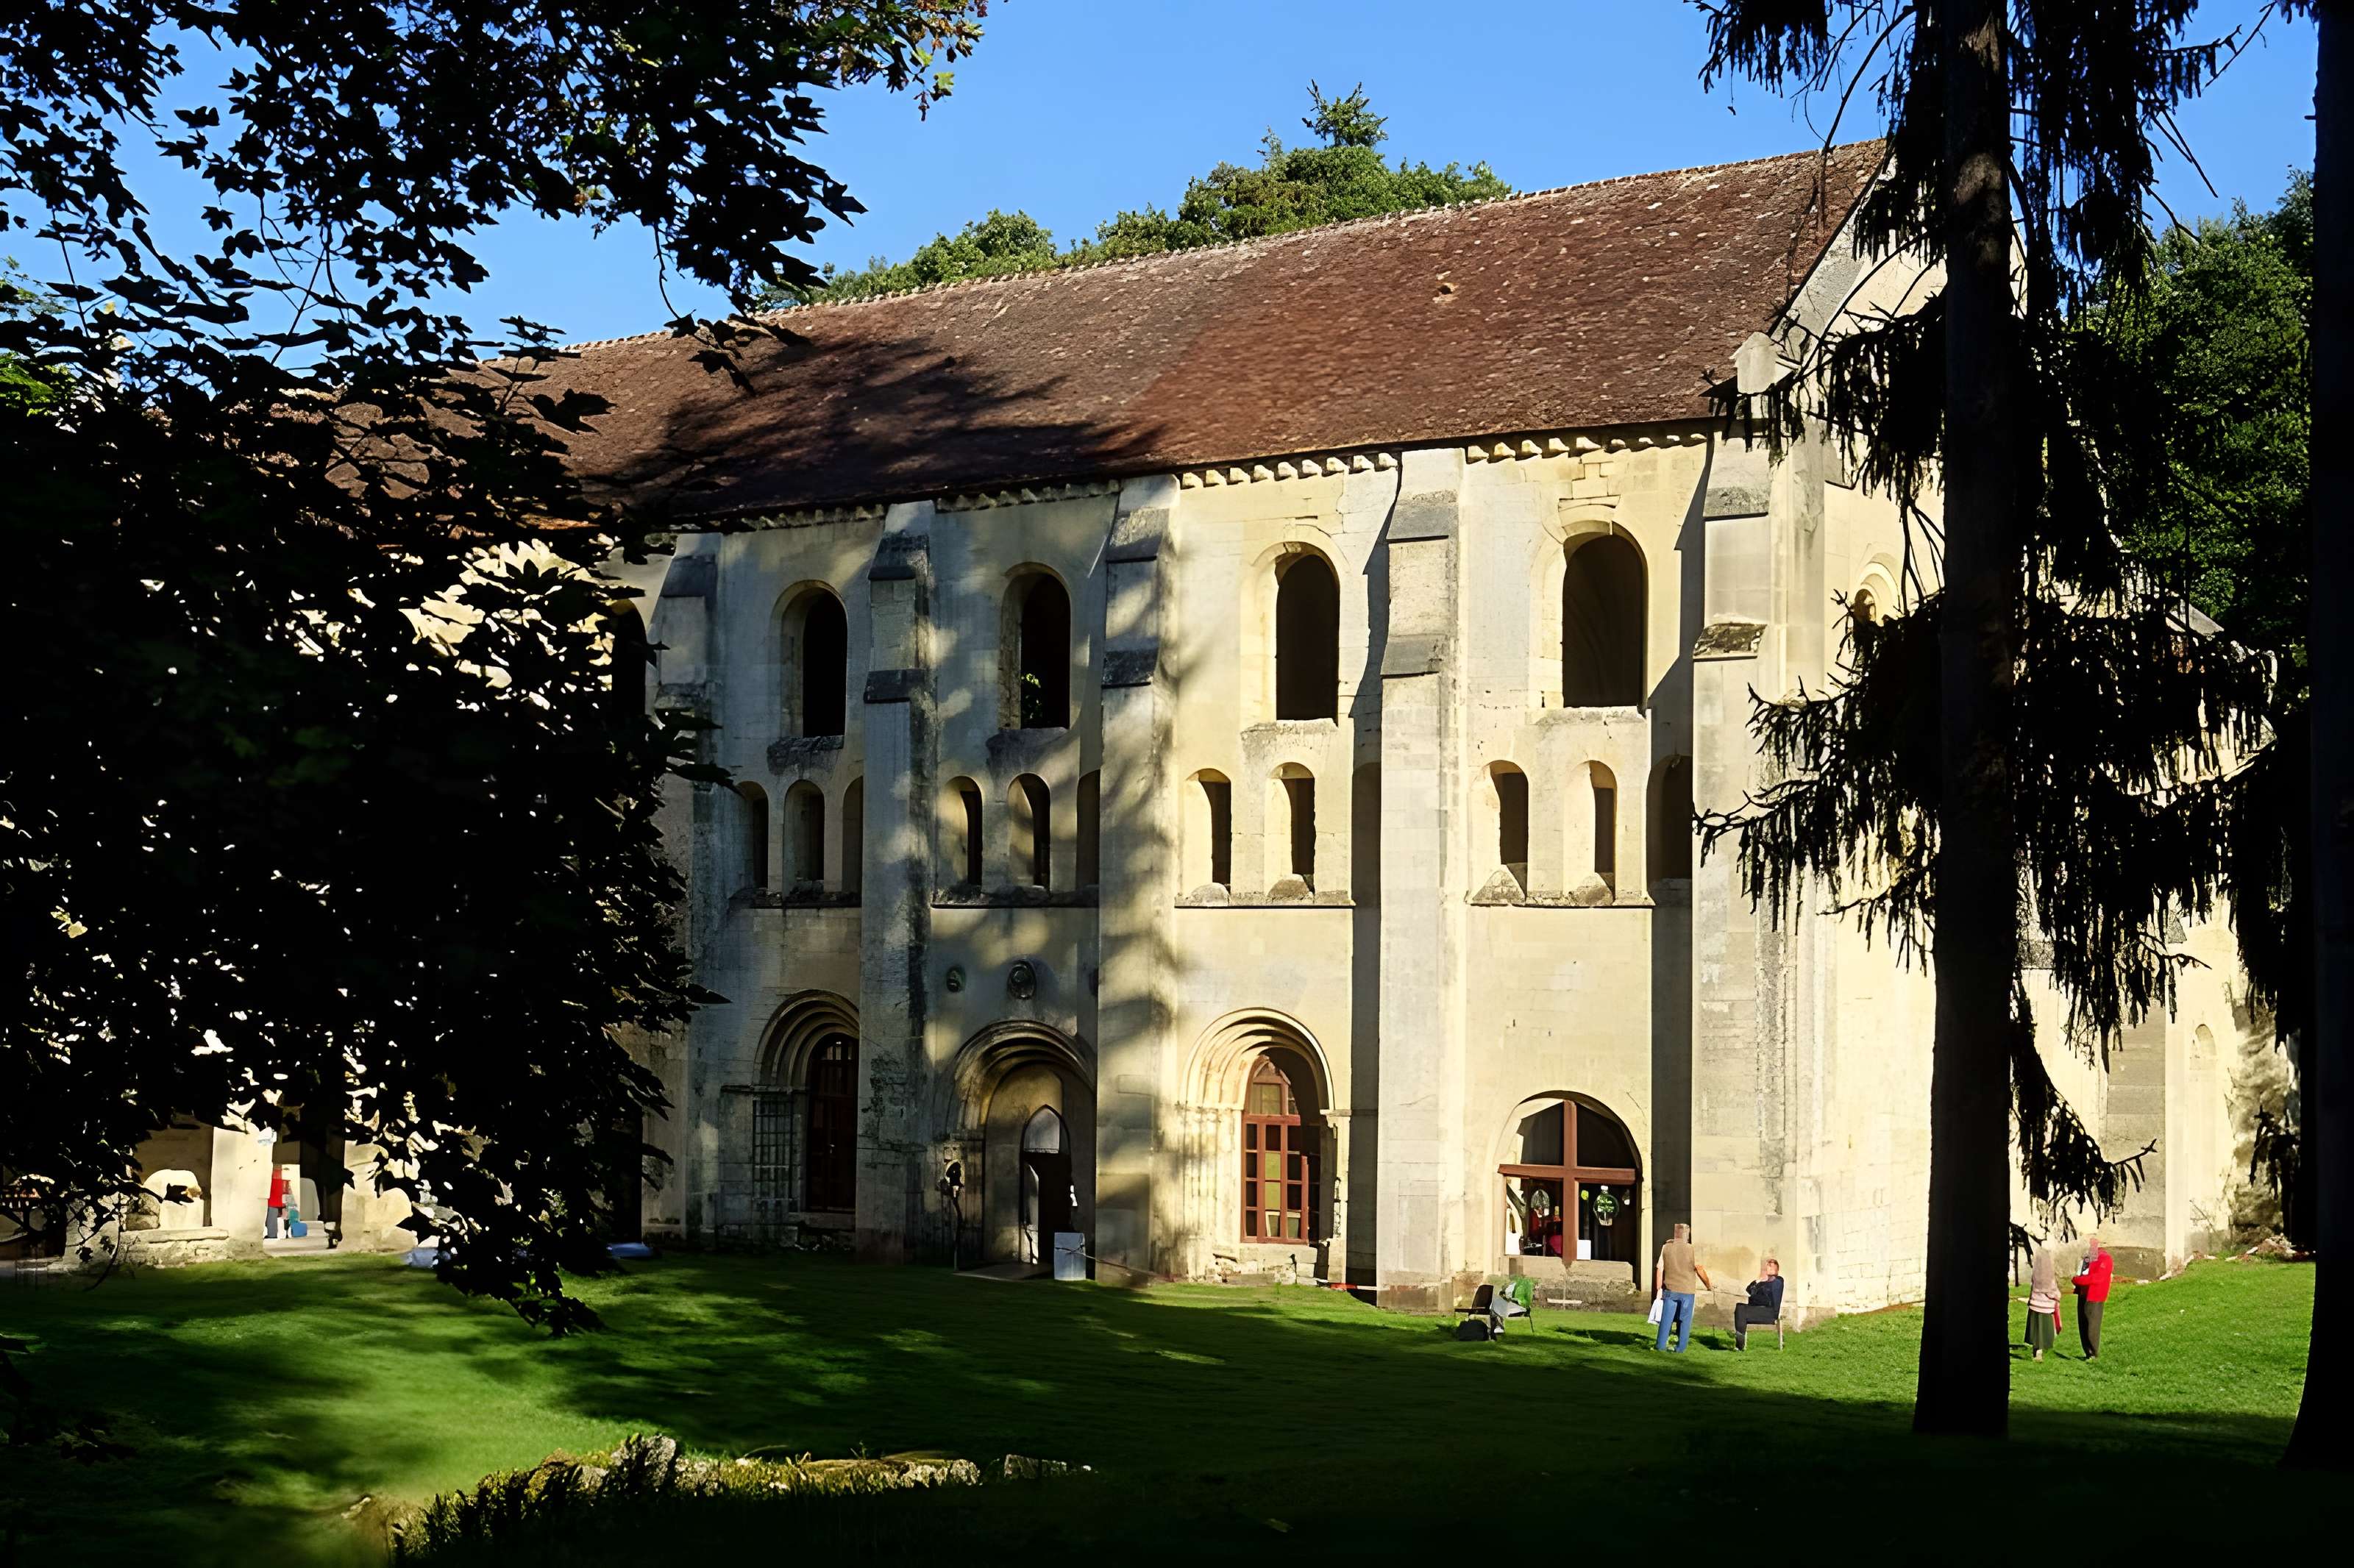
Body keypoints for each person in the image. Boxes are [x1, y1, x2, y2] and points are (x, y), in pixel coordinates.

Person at [1652, 1222, 1713, 1353]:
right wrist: (1709, 1285)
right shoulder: (1692, 1249)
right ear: (1687, 1235)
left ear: (1675, 1234)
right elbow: (1700, 1270)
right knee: (1685, 1320)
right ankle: (1680, 1348)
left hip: (1670, 1289)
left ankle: (1661, 1346)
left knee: (1666, 1319)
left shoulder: (1665, 1248)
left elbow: (1659, 1269)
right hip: (1687, 1290)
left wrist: (1659, 1289)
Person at [2072, 1234, 2115, 1360]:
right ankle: (2087, 1352)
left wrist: (2079, 1280)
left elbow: (2098, 1278)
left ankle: (2094, 1353)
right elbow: (2081, 1272)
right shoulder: (2087, 1259)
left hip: (2095, 1296)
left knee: (2092, 1326)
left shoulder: (2105, 1259)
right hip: (2083, 1294)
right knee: (2083, 1324)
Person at [2021, 1246, 2066, 1361]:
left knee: (2036, 1330)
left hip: (2034, 1303)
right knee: (2043, 1330)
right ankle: (2039, 1353)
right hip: (2045, 1306)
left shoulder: (2036, 1272)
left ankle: (2036, 1351)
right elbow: (2050, 1290)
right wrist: (2057, 1295)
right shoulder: (2048, 1274)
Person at [1733, 1255, 1784, 1350]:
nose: (1769, 1267)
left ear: (1777, 1270)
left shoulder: (1778, 1281)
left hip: (1769, 1313)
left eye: (1771, 1266)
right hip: (1758, 1310)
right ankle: (1740, 1339)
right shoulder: (1762, 1284)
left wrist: (1754, 1298)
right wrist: (1759, 1280)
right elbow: (1749, 1290)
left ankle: (1740, 1343)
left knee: (1742, 1310)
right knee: (1740, 1307)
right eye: (1768, 1265)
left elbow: (1767, 1300)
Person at [265, 1166, 287, 1240]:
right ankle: (286, 1233)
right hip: (280, 1197)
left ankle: (272, 1235)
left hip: (273, 1198)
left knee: (271, 1217)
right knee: (286, 1217)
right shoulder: (282, 1174)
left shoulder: (270, 1174)